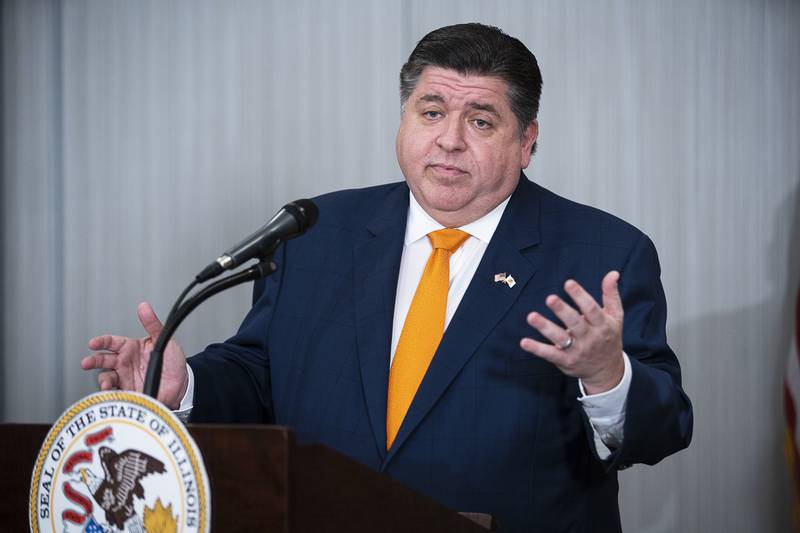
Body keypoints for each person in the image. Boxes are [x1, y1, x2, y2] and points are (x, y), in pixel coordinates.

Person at [81, 23, 692, 532]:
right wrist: (185, 386)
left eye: (481, 121)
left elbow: (664, 431)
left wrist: (606, 375)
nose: (449, 140)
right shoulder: (316, 231)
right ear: (403, 122)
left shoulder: (605, 254)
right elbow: (262, 371)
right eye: (432, 112)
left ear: (526, 141)